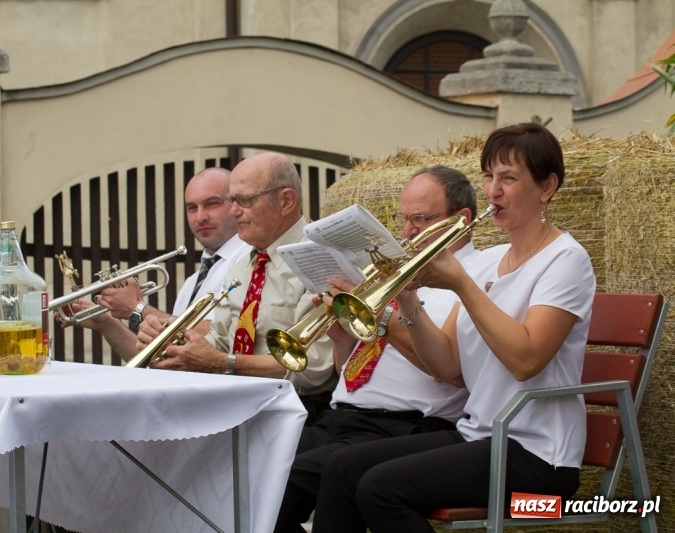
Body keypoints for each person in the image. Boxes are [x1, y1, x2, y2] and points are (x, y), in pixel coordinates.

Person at [310, 123, 596, 533]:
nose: (493, 190)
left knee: (380, 488)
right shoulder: (491, 258)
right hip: (479, 435)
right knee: (341, 469)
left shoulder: (565, 260)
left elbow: (526, 360)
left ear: (547, 186)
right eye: (488, 176)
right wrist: (406, 298)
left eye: (509, 178)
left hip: (538, 455)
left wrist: (461, 284)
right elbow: (445, 363)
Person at [274, 165, 481, 532]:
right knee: (251, 468)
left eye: (420, 218)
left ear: (460, 219)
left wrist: (384, 316)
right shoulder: (400, 270)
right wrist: (341, 334)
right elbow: (350, 372)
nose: (406, 232)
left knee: (284, 482)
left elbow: (449, 370)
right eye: (405, 219)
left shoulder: (473, 277)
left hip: (403, 427)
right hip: (342, 419)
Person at [152, 152, 337, 422]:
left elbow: (313, 371)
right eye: (231, 200)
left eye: (244, 200)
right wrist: (173, 340)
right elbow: (220, 340)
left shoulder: (318, 261)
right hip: (239, 405)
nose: (233, 211)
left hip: (292, 412)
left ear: (286, 201)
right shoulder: (244, 263)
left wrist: (222, 364)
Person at [56, 167, 249, 361]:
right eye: (192, 208)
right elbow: (159, 359)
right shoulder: (193, 281)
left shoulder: (249, 259)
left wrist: (138, 308)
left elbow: (224, 334)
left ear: (235, 204)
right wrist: (104, 322)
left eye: (212, 204)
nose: (200, 217)